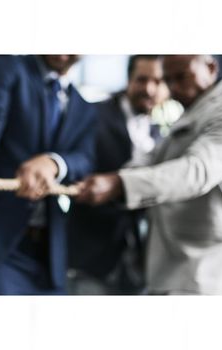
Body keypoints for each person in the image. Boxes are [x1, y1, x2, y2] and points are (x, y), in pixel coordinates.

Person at [0, 55, 98, 295]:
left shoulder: (84, 107)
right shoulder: (7, 65)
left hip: (48, 257)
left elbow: (85, 157)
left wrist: (55, 163)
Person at [76, 55, 222, 295]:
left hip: (199, 269)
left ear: (210, 67)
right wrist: (115, 180)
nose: (174, 88)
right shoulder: (196, 108)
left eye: (181, 77)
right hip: (161, 262)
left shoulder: (218, 110)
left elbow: (195, 170)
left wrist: (118, 184)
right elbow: (154, 159)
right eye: (170, 80)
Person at [67, 55, 167, 294]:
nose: (149, 89)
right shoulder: (93, 114)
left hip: (135, 263)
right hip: (89, 255)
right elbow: (77, 164)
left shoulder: (160, 133)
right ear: (128, 80)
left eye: (158, 81)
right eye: (142, 80)